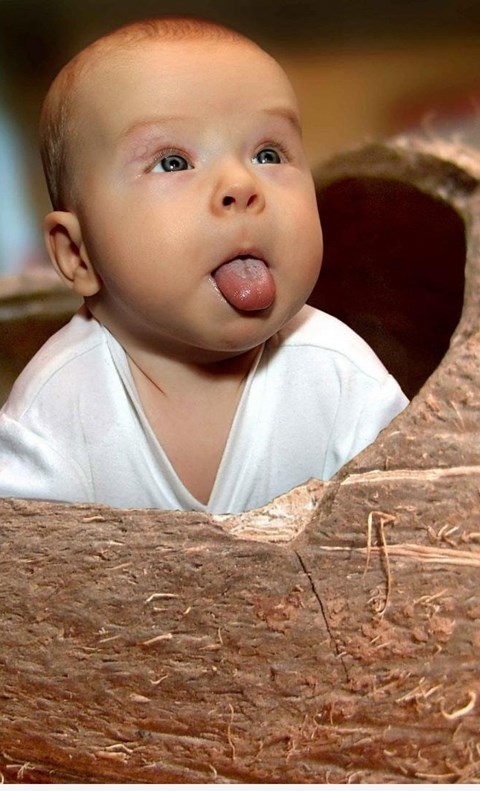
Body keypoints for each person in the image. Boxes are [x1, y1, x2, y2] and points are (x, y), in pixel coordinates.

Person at [0, 16, 408, 512]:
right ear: (77, 254)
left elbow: (408, 521)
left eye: (268, 154)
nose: (240, 184)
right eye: (173, 162)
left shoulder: (340, 377)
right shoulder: (58, 409)